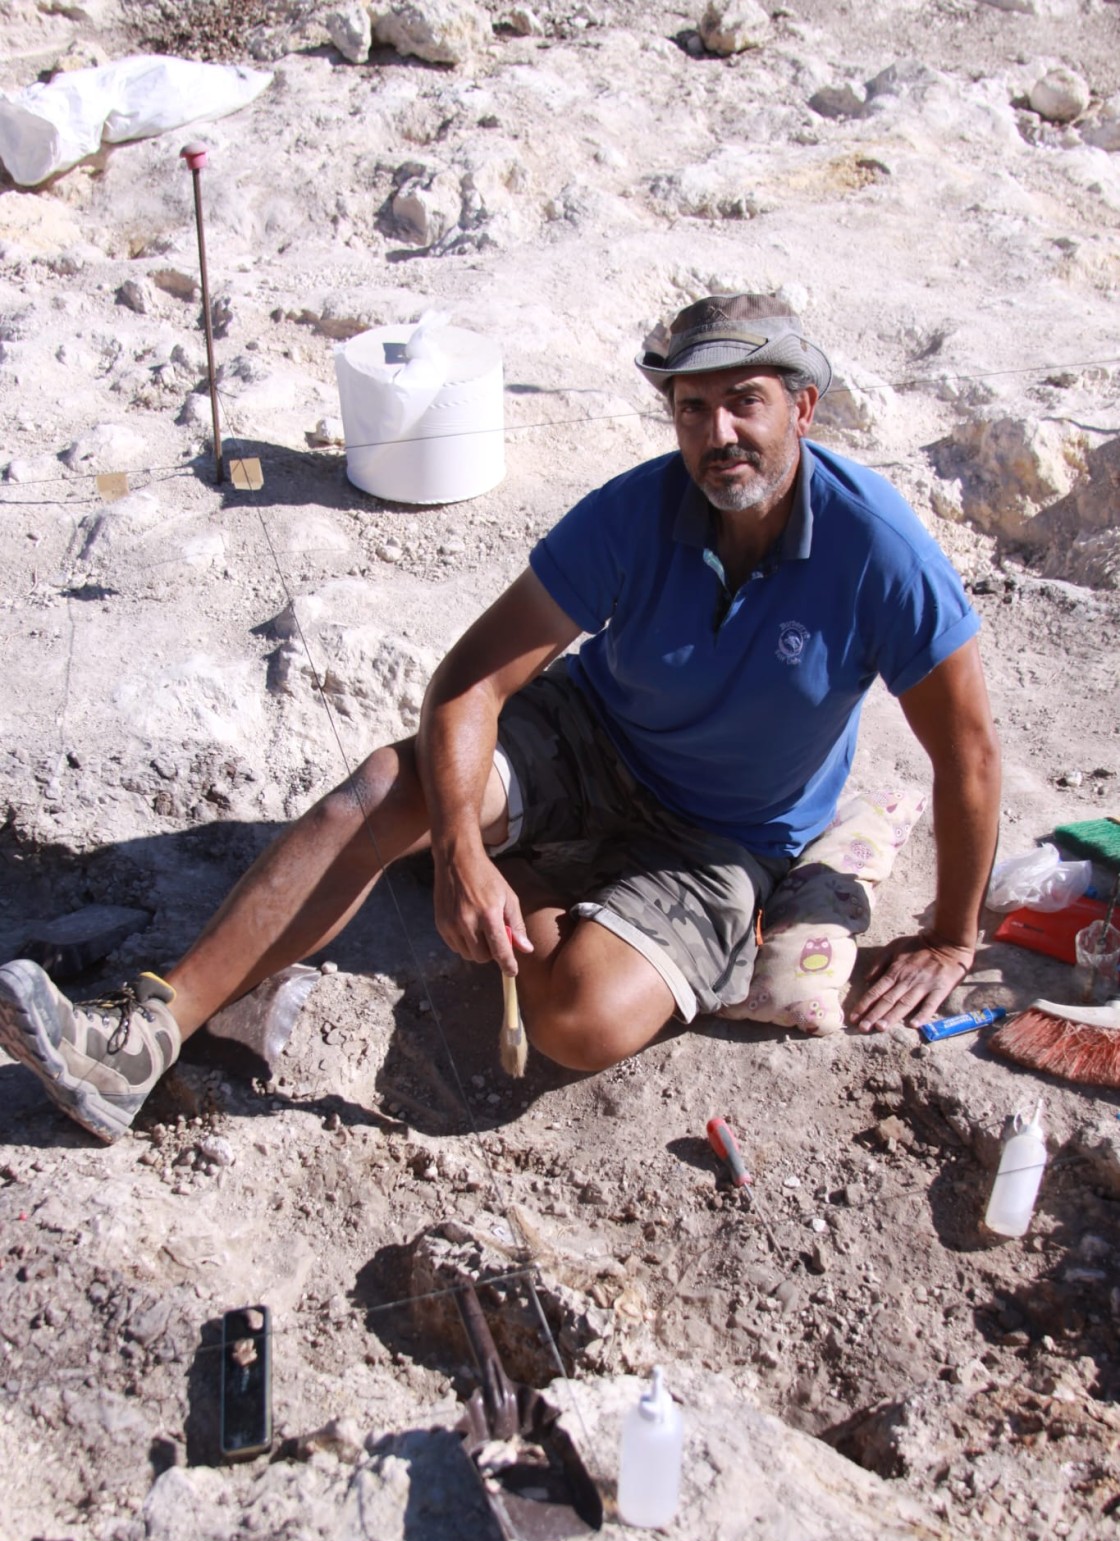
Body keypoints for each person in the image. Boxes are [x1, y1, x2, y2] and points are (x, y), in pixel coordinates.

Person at [0, 294, 1001, 1145]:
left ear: (803, 409)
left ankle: (554, 894)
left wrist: (952, 936)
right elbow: (471, 681)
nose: (717, 435)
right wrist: (458, 864)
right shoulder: (635, 511)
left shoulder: (879, 553)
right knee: (387, 793)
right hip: (592, 742)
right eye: (691, 409)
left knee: (574, 1022)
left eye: (745, 403)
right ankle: (146, 1036)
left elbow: (965, 757)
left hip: (725, 838)